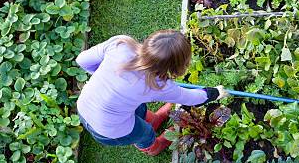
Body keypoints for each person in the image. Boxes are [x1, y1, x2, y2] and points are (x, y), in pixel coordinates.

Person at [75, 30, 226, 156]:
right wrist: (215, 93)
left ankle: (154, 119)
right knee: (144, 132)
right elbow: (192, 98)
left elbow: (82, 60)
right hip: (107, 129)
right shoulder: (158, 85)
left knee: (138, 108)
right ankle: (153, 147)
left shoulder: (120, 44)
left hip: (84, 106)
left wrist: (105, 78)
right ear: (176, 67)